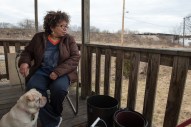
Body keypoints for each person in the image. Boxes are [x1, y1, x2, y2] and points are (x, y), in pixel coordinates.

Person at [18, 10, 80, 127]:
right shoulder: (39, 38)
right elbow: (27, 52)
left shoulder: (69, 39)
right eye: (61, 26)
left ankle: (54, 114)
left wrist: (57, 71)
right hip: (42, 71)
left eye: (66, 26)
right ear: (51, 26)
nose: (65, 28)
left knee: (59, 89)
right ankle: (53, 120)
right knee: (33, 88)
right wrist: (24, 62)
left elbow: (75, 57)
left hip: (62, 73)